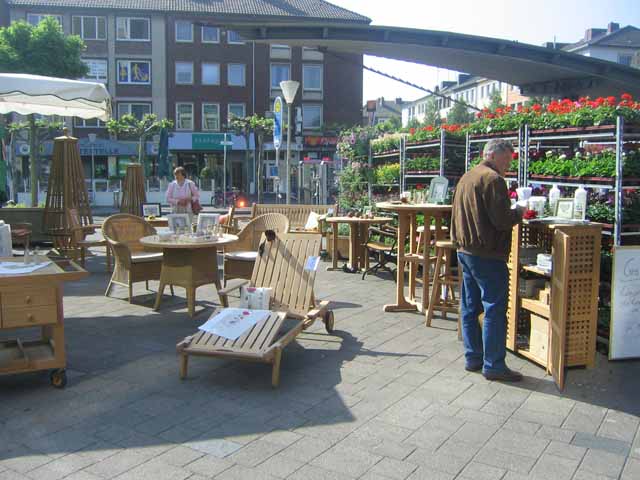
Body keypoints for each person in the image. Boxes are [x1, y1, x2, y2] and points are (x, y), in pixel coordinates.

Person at [450, 139, 524, 382]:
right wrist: (519, 212)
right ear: (493, 155)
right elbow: (501, 220)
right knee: (494, 307)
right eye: (506, 159)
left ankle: (473, 357)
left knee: (470, 307)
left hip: (465, 251)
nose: (508, 165)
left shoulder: (467, 177)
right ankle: (493, 364)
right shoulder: (493, 180)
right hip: (487, 253)